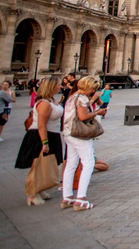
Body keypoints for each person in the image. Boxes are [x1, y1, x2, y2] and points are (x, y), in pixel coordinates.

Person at [15, 77, 64, 206]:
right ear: (51, 87)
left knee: (44, 165)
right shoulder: (45, 104)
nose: (60, 86)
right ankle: (31, 194)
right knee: (37, 166)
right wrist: (45, 142)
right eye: (58, 85)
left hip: (51, 134)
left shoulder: (51, 100)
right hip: (40, 136)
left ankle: (39, 189)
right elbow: (42, 125)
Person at [61, 76, 106, 211]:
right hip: (79, 134)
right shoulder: (82, 98)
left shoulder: (71, 97)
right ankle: (81, 199)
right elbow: (82, 116)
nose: (93, 91)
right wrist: (97, 112)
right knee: (88, 163)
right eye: (93, 88)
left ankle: (67, 197)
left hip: (68, 133)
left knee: (71, 164)